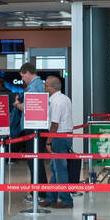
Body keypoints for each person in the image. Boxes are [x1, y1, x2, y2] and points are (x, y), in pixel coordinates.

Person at [42, 75, 74, 209]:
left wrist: (48, 142)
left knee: (60, 169)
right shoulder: (65, 98)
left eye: (47, 85)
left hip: (59, 137)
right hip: (66, 136)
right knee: (55, 168)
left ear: (53, 87)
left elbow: (54, 124)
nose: (45, 87)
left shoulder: (55, 102)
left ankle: (66, 200)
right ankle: (51, 197)